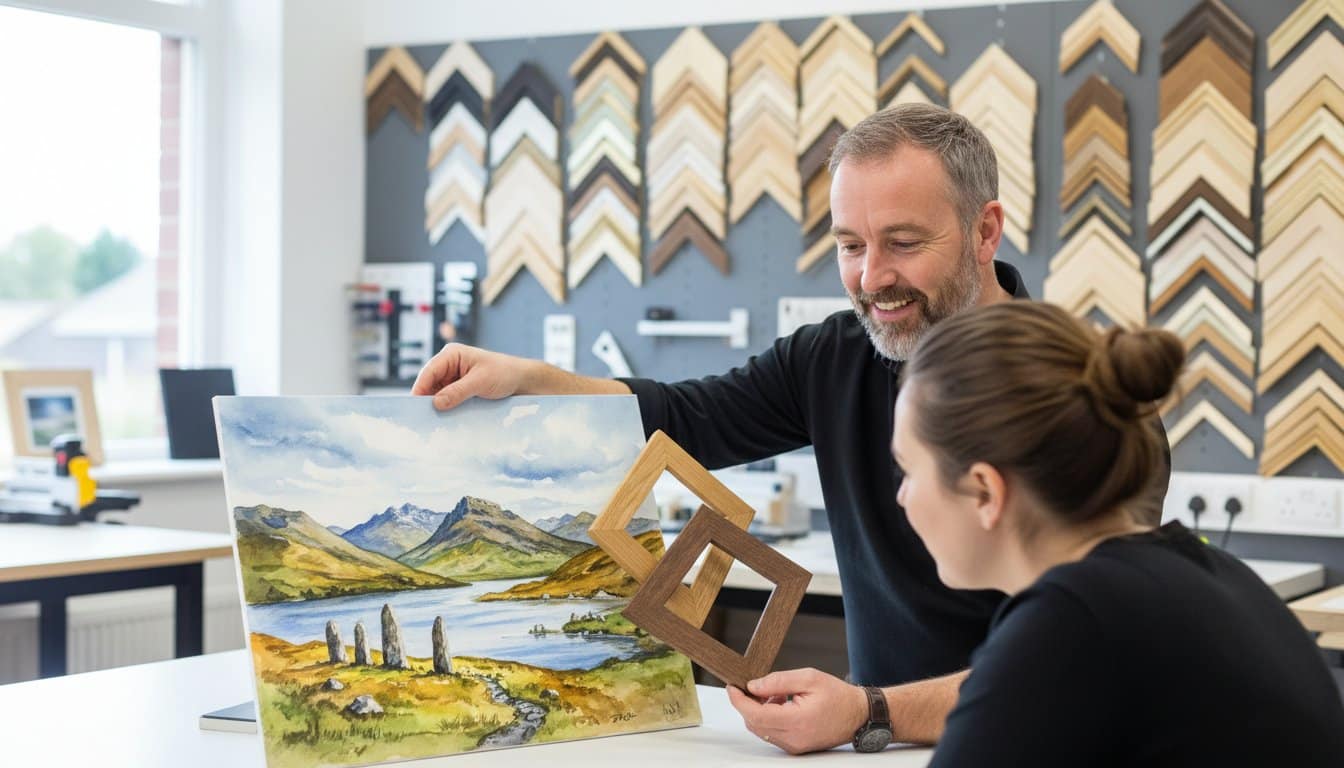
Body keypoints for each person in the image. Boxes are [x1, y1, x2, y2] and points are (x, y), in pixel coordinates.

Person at [412, 103, 1167, 743]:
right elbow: (682, 418)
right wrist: (534, 382)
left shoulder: (1085, 397)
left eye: (904, 243)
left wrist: (871, 709)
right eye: (850, 246)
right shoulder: (832, 358)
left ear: (985, 230)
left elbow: (1083, 658)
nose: (872, 278)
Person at [730, 301, 1344, 764]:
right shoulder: (1211, 575)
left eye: (909, 471)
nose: (900, 496)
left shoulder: (1069, 625)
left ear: (985, 492)